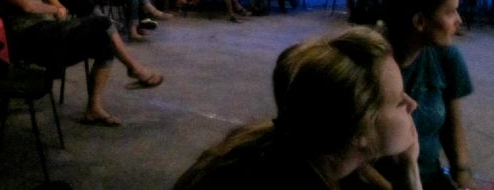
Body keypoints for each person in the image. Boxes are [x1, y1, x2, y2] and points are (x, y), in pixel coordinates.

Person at [173, 27, 421, 190]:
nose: (412, 104)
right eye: (399, 102)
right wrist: (411, 175)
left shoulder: (286, 146)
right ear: (359, 131)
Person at [0, 0, 164, 127]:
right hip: (32, 35)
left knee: (104, 43)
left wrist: (57, 4)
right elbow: (26, 6)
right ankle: (134, 68)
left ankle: (94, 109)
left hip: (49, 29)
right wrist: (55, 9)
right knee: (101, 23)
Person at [381, 0, 474, 190]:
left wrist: (462, 173)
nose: (459, 20)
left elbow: (452, 123)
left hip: (428, 176)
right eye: (450, 12)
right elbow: (351, 157)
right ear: (420, 21)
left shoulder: (446, 56)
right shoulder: (370, 63)